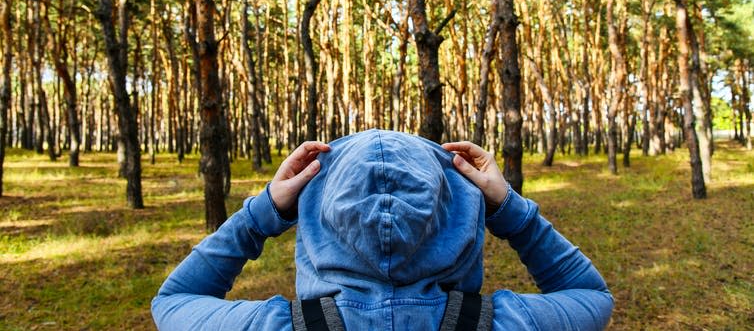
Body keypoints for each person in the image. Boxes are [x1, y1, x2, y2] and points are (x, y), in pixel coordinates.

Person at [152, 129, 613, 330]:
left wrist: (264, 212)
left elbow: (173, 301)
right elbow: (591, 296)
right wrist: (508, 209)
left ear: (316, 214)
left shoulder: (271, 326)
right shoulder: (513, 324)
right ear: (462, 217)